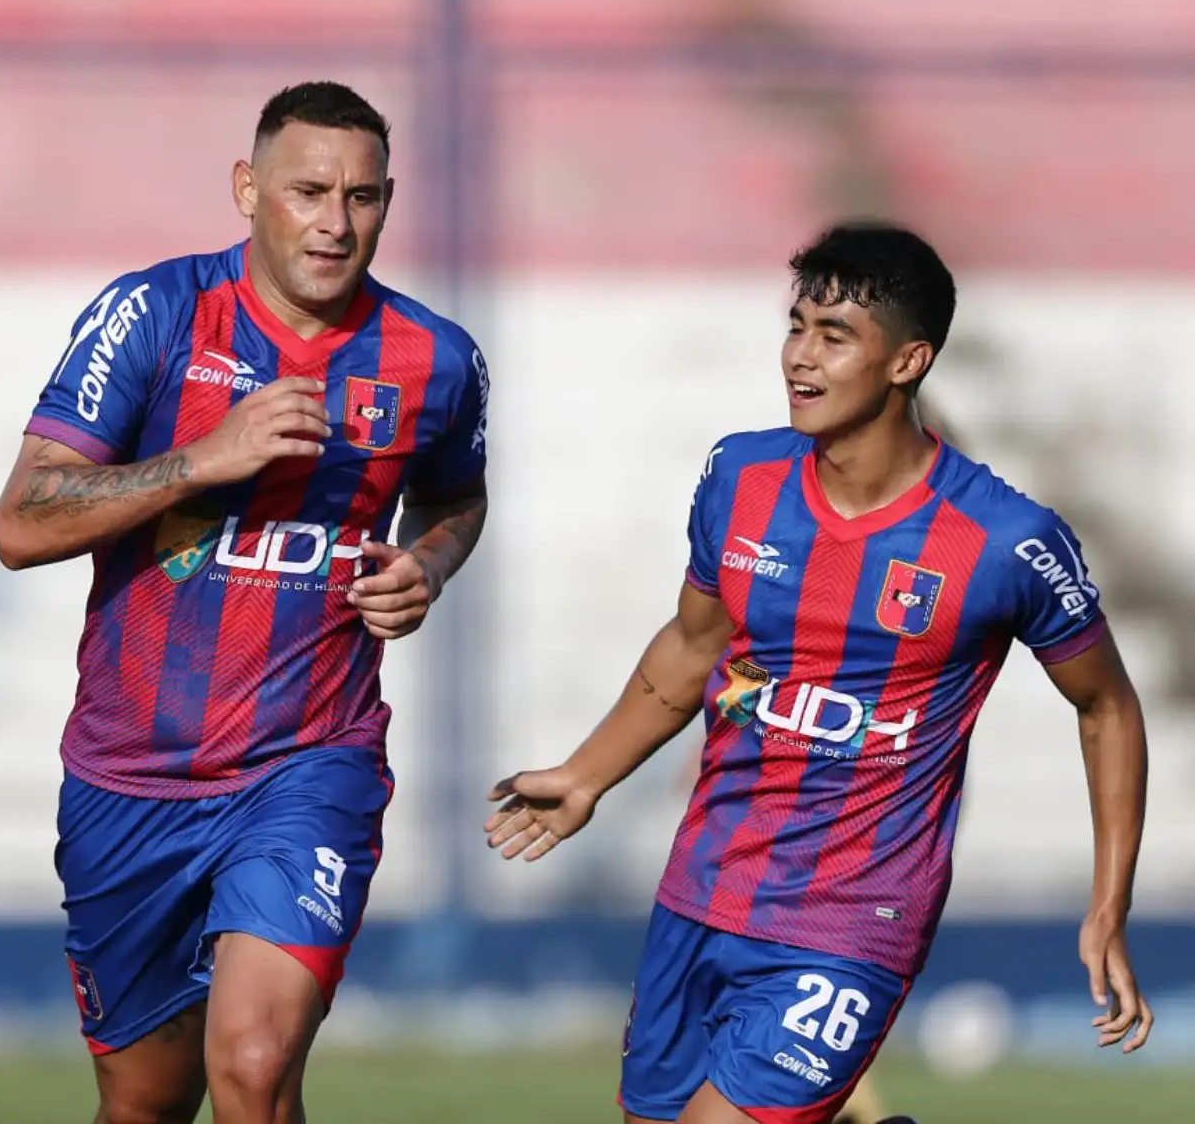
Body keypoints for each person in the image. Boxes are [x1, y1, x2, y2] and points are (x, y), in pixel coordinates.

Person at [485, 222, 1151, 1124]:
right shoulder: (741, 475)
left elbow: (1106, 705)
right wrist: (584, 776)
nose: (800, 356)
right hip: (703, 888)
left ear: (907, 360)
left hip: (853, 920)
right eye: (796, 325)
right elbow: (689, 649)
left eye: (834, 337)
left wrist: (1107, 906)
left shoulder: (1006, 540)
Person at [0, 80, 489, 1123]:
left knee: (255, 1066)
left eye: (362, 197)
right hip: (130, 779)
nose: (335, 222)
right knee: (144, 1105)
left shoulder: (434, 358)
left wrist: (429, 565)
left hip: (308, 763)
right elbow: (24, 521)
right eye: (309, 191)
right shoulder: (159, 314)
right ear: (247, 189)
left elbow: (454, 498)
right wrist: (203, 460)